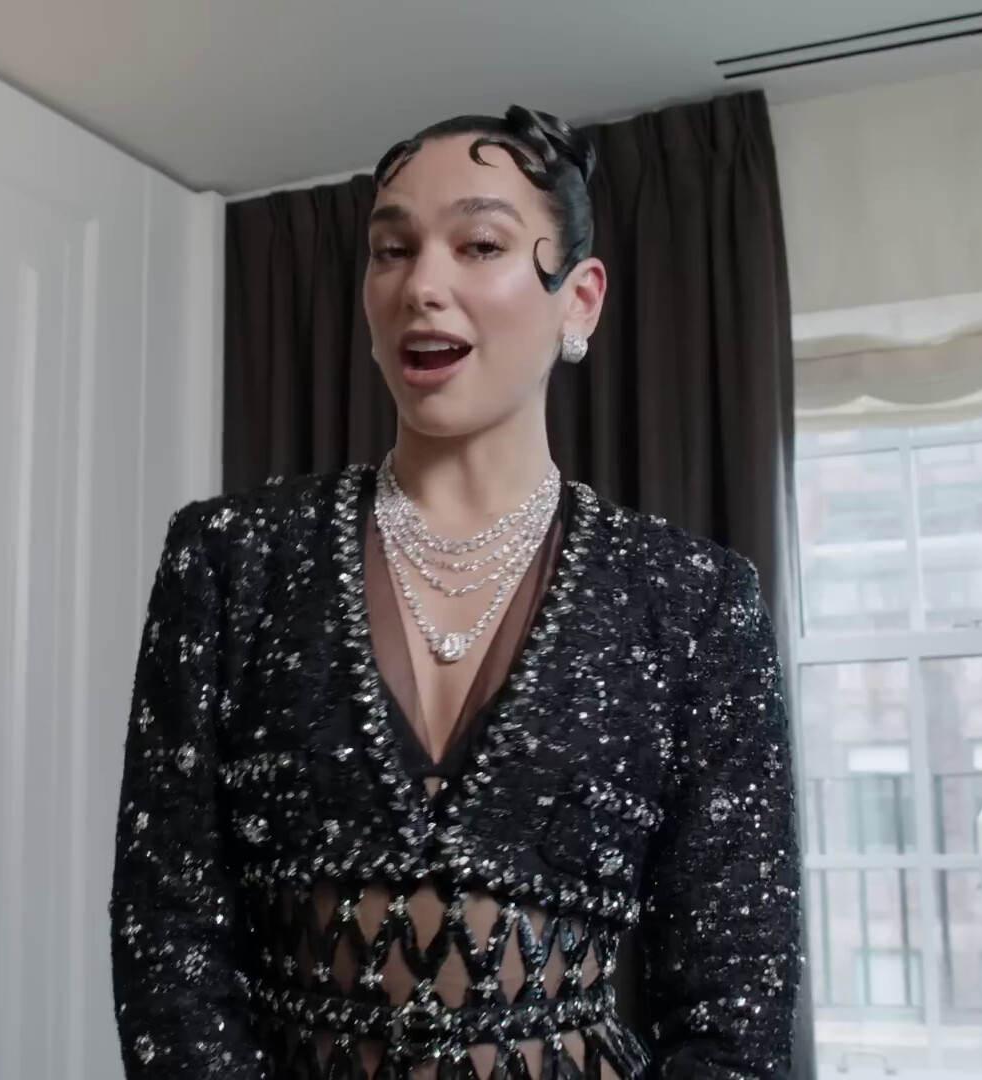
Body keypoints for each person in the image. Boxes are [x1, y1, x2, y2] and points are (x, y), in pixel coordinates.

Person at [108, 104, 800, 1080]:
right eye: (392, 251)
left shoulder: (693, 601)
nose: (422, 286)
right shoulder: (229, 560)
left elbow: (735, 1004)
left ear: (580, 301)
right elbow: (167, 938)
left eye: (480, 245)